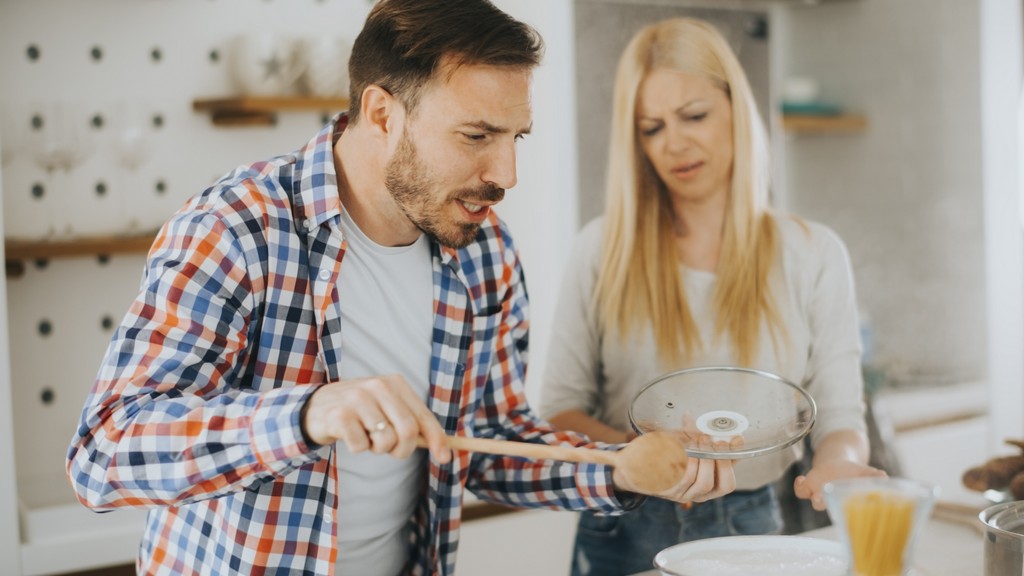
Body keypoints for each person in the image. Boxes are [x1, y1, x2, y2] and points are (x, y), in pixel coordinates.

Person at [63, 1, 709, 575]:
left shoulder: (487, 254)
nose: (505, 172)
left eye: (515, 138)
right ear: (381, 113)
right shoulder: (237, 229)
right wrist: (308, 414)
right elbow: (104, 451)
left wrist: (618, 468)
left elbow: (489, 442)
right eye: (476, 136)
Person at [538, 17, 886, 576]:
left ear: (736, 110)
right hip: (624, 523)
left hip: (755, 524)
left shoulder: (814, 253)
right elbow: (560, 410)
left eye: (694, 116)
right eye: (652, 128)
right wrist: (638, 454)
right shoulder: (600, 249)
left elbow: (841, 414)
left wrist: (840, 465)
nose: (674, 143)